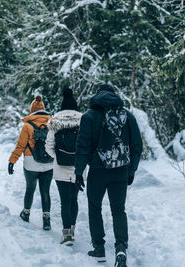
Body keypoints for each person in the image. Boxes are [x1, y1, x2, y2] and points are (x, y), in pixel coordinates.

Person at [74, 84, 142, 266]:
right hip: (120, 171)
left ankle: (99, 248)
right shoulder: (128, 116)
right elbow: (137, 147)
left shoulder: (88, 117)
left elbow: (82, 147)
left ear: (97, 96)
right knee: (118, 210)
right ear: (115, 95)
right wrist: (131, 170)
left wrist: (79, 171)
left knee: (94, 208)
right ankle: (121, 248)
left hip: (97, 171)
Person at [45, 88, 84, 246]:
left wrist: (58, 157)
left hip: (60, 168)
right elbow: (87, 145)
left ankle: (66, 233)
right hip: (78, 169)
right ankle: (72, 229)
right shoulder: (83, 120)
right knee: (74, 199)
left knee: (64, 201)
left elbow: (48, 146)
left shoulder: (55, 122)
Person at [8, 95, 53, 230]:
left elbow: (20, 146)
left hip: (31, 163)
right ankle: (46, 220)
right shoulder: (52, 124)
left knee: (30, 189)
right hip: (49, 163)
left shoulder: (27, 126)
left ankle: (26, 213)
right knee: (45, 191)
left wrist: (12, 161)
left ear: (31, 111)